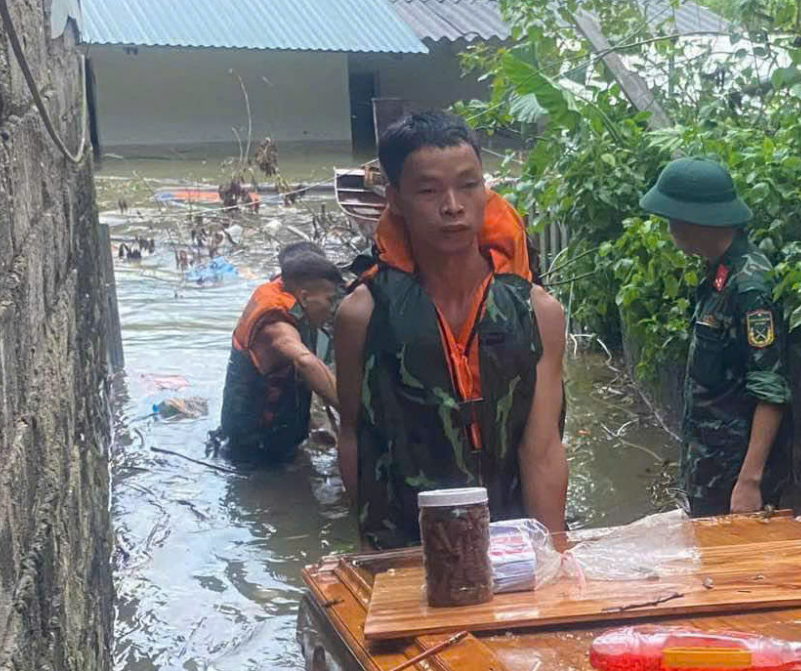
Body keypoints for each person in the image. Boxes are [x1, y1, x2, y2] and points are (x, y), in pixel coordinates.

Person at [333, 112, 568, 549]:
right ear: (395, 199)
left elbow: (543, 450)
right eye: (428, 190)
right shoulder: (363, 314)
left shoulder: (536, 311)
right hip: (409, 545)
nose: (453, 206)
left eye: (468, 184)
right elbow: (355, 438)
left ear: (485, 190)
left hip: (511, 543)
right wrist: (374, 557)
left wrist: (553, 559)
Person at [639, 157, 792, 516]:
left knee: (743, 571)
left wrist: (750, 482)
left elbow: (770, 389)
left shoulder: (751, 287)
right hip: (709, 470)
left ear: (697, 219)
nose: (670, 226)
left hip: (735, 479)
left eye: (673, 217)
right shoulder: (719, 276)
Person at [208, 243, 342, 468]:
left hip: (271, 437)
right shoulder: (276, 326)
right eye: (329, 300)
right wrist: (354, 416)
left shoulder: (284, 289)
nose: (331, 308)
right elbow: (305, 361)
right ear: (305, 296)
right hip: (256, 448)